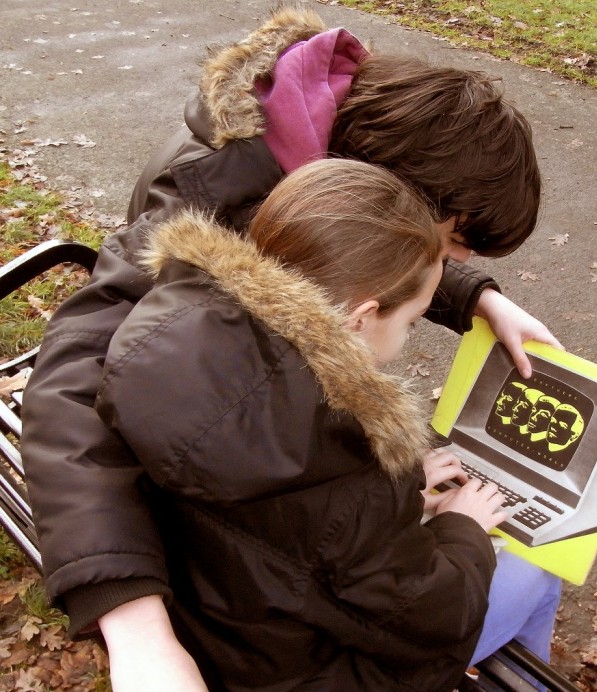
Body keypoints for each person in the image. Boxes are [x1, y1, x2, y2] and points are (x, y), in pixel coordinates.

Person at [22, 3, 561, 672]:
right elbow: (68, 387)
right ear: (391, 187)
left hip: (242, 542)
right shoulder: (211, 195)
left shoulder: (317, 139)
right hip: (219, 571)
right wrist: (135, 624)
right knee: (537, 576)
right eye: (449, 246)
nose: (448, 265)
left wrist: (474, 297)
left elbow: (353, 242)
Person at [93, 158, 555, 691]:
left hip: (219, 633)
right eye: (409, 321)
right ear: (359, 319)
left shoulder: (168, 339)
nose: (405, 341)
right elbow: (430, 613)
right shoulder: (337, 458)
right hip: (311, 671)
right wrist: (463, 528)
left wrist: (395, 496)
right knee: (537, 577)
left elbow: (302, 537)